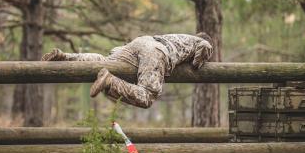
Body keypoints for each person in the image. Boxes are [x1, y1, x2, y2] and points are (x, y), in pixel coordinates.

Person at [41, 33, 213, 109]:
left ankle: (66, 57)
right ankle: (110, 81)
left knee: (105, 62)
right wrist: (197, 64)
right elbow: (204, 47)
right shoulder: (200, 41)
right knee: (147, 96)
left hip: (140, 42)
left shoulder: (179, 37)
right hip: (156, 51)